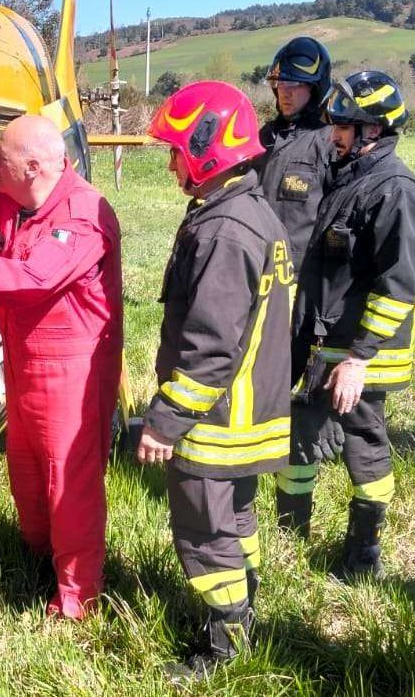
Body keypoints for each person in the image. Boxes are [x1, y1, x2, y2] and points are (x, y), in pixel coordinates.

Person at [138, 80, 293, 678]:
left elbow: (208, 347)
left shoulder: (226, 230)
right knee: (240, 521)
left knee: (205, 534)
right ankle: (246, 605)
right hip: (255, 413)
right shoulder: (250, 212)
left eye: (176, 150)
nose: (172, 162)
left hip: (217, 420)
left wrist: (165, 422)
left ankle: (223, 647)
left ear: (206, 146)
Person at [0, 114, 123, 620]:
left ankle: (78, 599)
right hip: (26, 365)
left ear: (32, 166)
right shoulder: (16, 200)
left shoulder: (81, 215)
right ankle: (37, 557)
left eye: (1, 159)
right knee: (28, 471)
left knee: (68, 484)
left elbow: (32, 278)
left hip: (72, 372)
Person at [277, 69, 415, 580]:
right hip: (325, 341)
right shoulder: (352, 176)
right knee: (299, 433)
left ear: (374, 131)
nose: (334, 135)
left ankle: (364, 554)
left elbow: (397, 287)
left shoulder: (397, 191)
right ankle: (287, 537)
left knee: (363, 444)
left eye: (343, 127)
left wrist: (360, 359)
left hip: (360, 351)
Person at [258, 35, 334, 270]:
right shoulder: (264, 137)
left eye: (294, 84)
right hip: (256, 261)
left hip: (300, 275)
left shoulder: (329, 142)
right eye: (280, 84)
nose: (284, 92)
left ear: (315, 89)